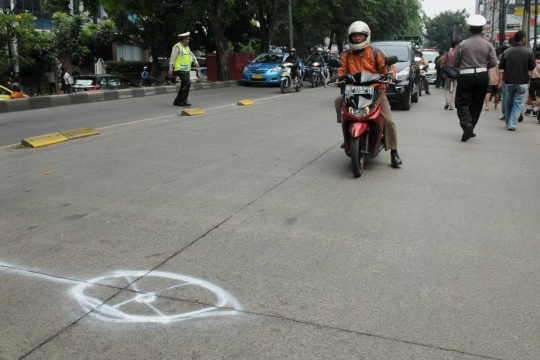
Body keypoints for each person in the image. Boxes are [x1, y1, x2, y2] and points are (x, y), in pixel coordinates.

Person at [334, 21, 402, 166]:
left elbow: (388, 66)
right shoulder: (346, 55)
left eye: (360, 35)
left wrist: (389, 75)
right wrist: (336, 77)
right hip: (353, 92)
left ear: (366, 36)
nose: (357, 38)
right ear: (350, 37)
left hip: (375, 91)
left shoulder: (376, 52)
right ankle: (347, 132)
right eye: (354, 35)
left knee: (389, 121)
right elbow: (341, 70)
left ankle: (394, 152)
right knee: (338, 101)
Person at [453, 15, 498, 141]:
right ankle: (471, 127)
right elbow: (494, 62)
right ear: (482, 29)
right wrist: (483, 67)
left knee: (461, 102)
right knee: (477, 103)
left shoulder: (462, 45)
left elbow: (455, 62)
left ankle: (466, 124)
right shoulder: (488, 45)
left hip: (465, 75)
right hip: (482, 76)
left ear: (469, 30)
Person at [499, 30, 536, 131]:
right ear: (523, 38)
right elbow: (532, 66)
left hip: (509, 81)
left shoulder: (506, 52)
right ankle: (512, 124)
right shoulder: (528, 51)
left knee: (508, 103)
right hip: (522, 81)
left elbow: (501, 66)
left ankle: (508, 122)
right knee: (518, 104)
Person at [168, 31, 200, 107]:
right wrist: (170, 69)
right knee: (188, 83)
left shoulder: (187, 48)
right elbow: (172, 58)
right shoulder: (177, 47)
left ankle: (177, 101)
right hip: (179, 69)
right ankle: (183, 101)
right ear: (184, 39)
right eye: (187, 39)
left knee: (184, 85)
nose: (188, 40)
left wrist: (196, 62)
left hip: (186, 70)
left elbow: (192, 55)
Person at [440, 40, 460, 110]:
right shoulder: (459, 54)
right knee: (454, 89)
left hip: (448, 74)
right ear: (456, 46)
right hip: (456, 74)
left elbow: (442, 64)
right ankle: (452, 105)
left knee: (447, 88)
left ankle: (447, 102)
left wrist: (445, 70)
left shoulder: (447, 54)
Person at [524, 51, 540, 117]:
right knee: (538, 96)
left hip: (533, 80)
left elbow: (529, 73)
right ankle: (535, 111)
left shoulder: (533, 63)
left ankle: (528, 110)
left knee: (530, 95)